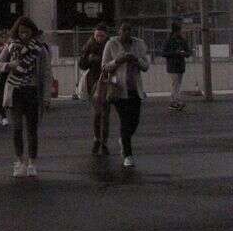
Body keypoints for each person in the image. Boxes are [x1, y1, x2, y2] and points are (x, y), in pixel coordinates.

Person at [0, 17, 52, 177]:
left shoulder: (40, 50)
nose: (24, 35)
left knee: (32, 130)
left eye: (27, 32)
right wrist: (9, 66)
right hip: (15, 92)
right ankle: (20, 161)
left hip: (33, 92)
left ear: (33, 31)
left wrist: (47, 97)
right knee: (17, 128)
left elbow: (47, 74)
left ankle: (32, 162)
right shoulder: (11, 46)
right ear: (16, 32)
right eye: (21, 32)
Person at [101, 23, 150, 168]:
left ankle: (124, 139)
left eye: (129, 30)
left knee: (134, 121)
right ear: (119, 32)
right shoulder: (111, 44)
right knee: (125, 121)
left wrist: (135, 59)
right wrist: (118, 60)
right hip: (118, 89)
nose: (126, 33)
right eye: (124, 30)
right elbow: (104, 66)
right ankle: (128, 155)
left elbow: (146, 66)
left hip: (135, 89)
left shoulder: (139, 44)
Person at [78, 23, 111, 155]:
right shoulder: (89, 45)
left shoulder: (110, 46)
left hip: (107, 81)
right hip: (94, 81)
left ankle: (103, 141)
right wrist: (88, 59)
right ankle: (97, 139)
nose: (99, 38)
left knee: (105, 113)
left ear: (106, 36)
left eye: (101, 35)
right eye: (97, 35)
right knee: (98, 113)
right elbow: (82, 65)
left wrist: (98, 60)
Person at [162, 21, 191, 110]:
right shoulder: (174, 41)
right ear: (176, 31)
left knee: (176, 84)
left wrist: (183, 53)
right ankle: (175, 101)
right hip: (174, 65)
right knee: (176, 83)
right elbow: (164, 53)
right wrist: (177, 53)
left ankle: (175, 101)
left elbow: (188, 52)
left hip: (176, 65)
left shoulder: (172, 40)